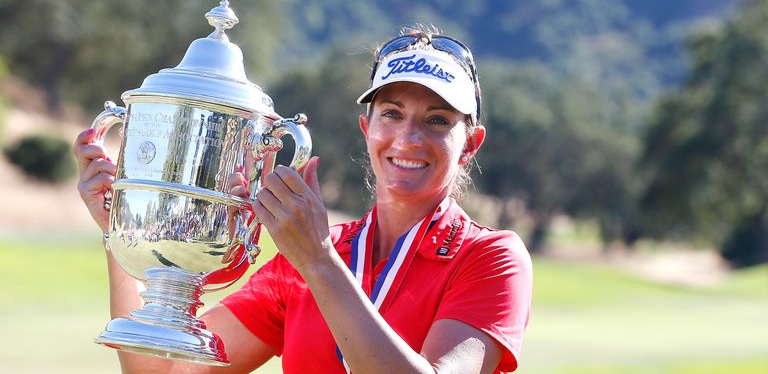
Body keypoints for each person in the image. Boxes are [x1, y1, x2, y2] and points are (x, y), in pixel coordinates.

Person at [73, 26, 533, 374]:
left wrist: (317, 258)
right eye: (391, 114)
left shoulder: (491, 258)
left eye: (437, 120)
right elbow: (162, 372)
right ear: (366, 129)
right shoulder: (311, 255)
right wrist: (123, 230)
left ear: (471, 142)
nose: (408, 138)